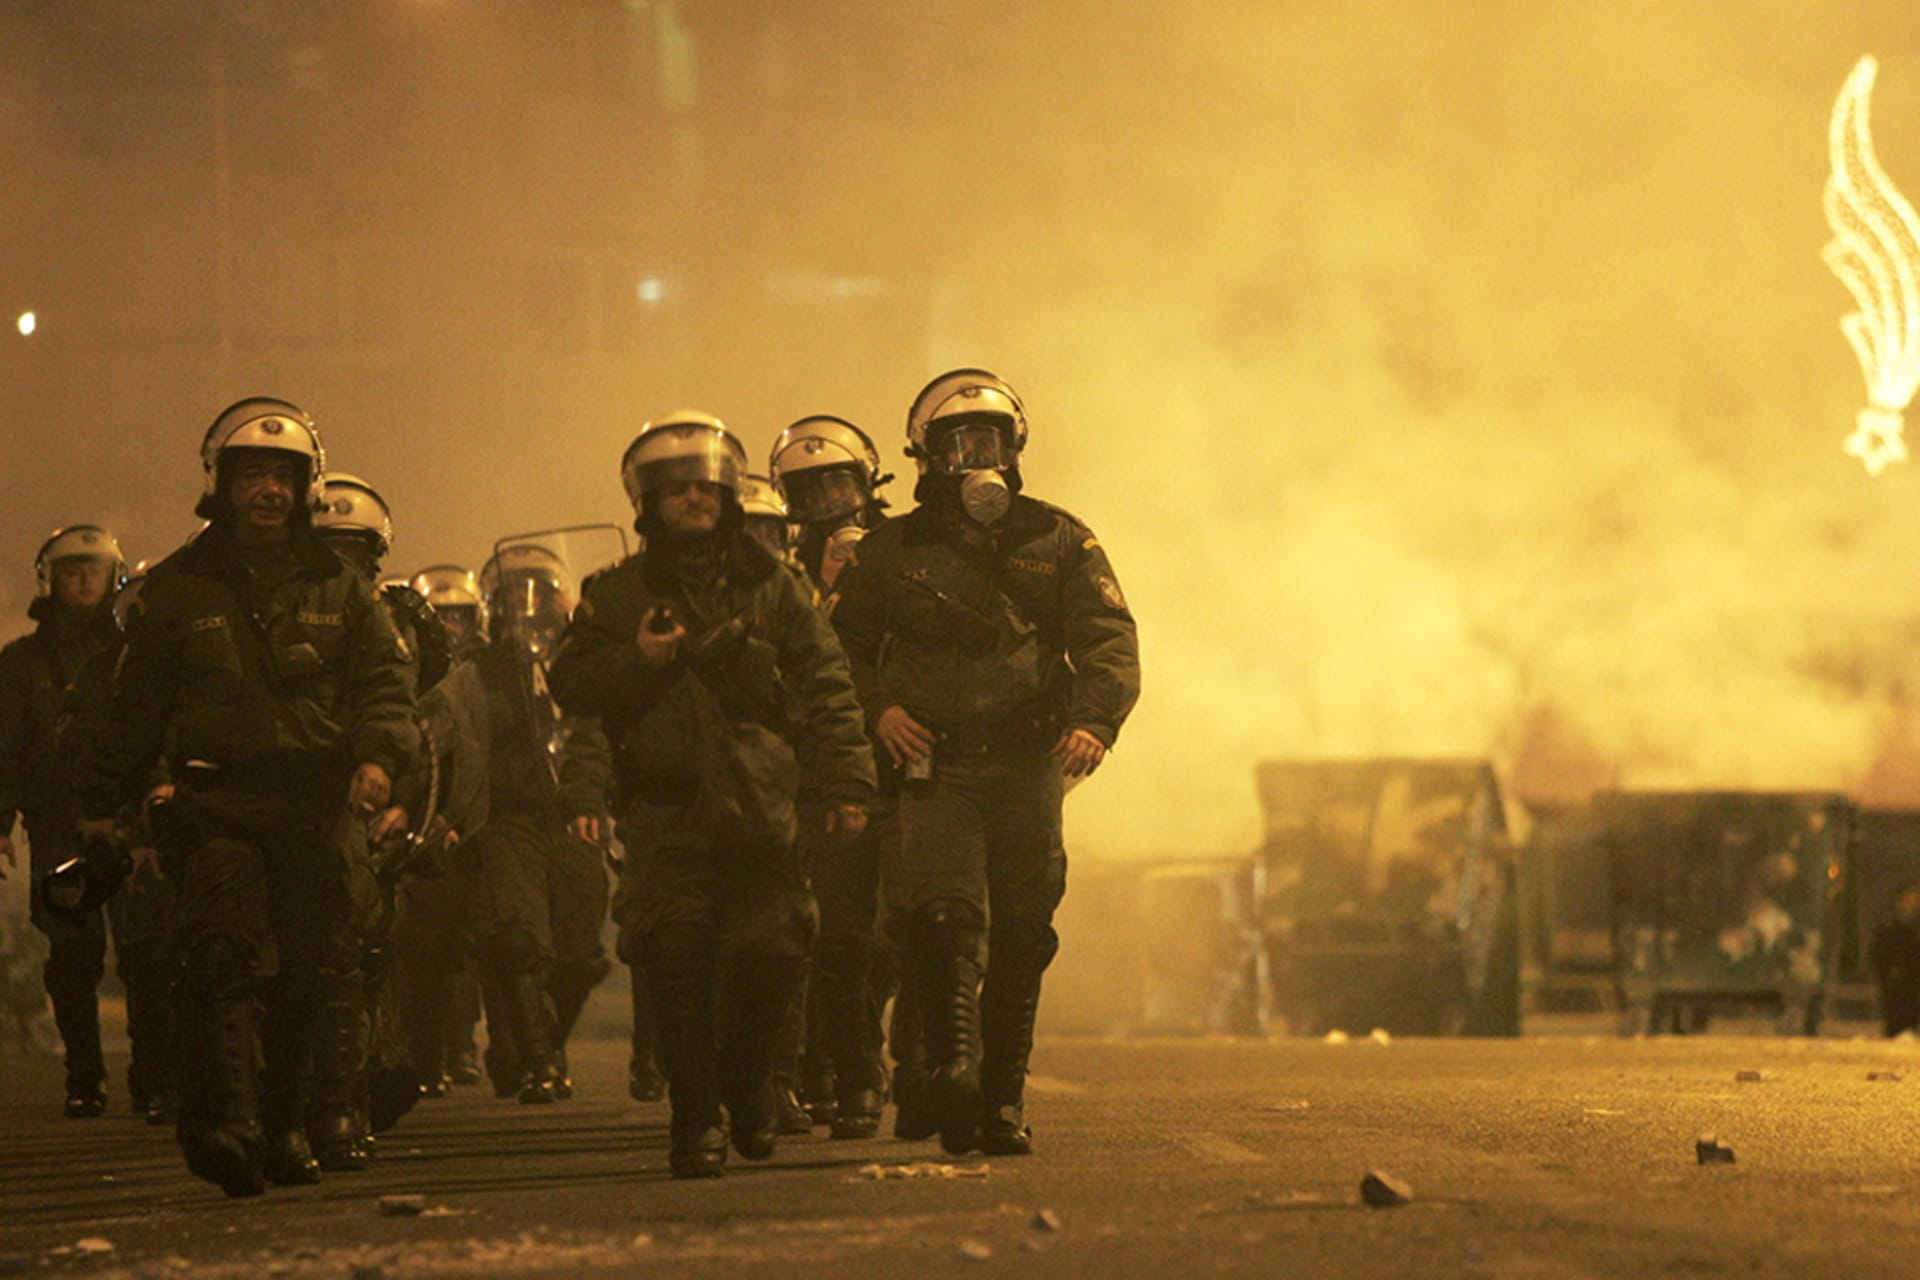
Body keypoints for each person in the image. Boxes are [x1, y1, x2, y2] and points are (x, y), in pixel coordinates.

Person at [78, 397, 418, 1198]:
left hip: (312, 807)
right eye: (252, 476)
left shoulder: (341, 587)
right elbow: (135, 708)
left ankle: (286, 1124)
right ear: (222, 485)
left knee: (310, 968)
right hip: (218, 801)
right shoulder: (179, 589)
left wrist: (378, 757)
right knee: (222, 961)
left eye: (282, 478)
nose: (268, 492)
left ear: (305, 488)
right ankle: (227, 1126)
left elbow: (386, 683)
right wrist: (99, 802)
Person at [548, 409, 876, 1178]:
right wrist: (640, 660)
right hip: (663, 809)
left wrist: (846, 780)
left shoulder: (776, 587)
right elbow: (572, 684)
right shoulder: (617, 595)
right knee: (676, 958)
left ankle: (748, 1084)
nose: (693, 499)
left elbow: (827, 683)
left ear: (727, 494)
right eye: (676, 489)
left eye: (704, 487)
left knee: (773, 952)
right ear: (649, 502)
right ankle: (696, 1119)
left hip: (761, 808)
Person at [828, 369, 1140, 1156]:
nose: (978, 459)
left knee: (1023, 933)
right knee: (942, 923)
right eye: (960, 445)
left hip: (1029, 764)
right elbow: (836, 650)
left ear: (1015, 447)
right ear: (928, 458)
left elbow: (1108, 637)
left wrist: (1095, 720)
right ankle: (952, 1073)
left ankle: (1002, 1100)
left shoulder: (1059, 540)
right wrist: (879, 710)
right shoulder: (890, 551)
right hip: (936, 767)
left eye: (991, 442)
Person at [769, 413, 908, 1140]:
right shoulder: (776, 570)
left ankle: (860, 1050)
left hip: (903, 764)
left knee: (899, 931)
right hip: (819, 774)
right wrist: (820, 592)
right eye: (809, 491)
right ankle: (842, 1069)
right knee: (833, 934)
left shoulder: (910, 548)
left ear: (868, 482)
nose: (827, 503)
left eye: (839, 485)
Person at [462, 543, 611, 1104]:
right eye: (518, 594)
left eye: (542, 593)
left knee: (581, 953)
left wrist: (591, 795)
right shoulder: (480, 672)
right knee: (520, 938)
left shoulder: (580, 665)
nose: (532, 606)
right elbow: (463, 744)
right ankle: (539, 1064)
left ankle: (541, 1042)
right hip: (510, 816)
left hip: (573, 813)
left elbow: (597, 733)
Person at [0, 525, 132, 1117]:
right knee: (75, 955)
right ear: (49, 582)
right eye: (71, 570)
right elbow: (4, 745)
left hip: (130, 825)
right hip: (57, 826)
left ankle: (158, 1076)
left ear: (113, 578)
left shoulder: (138, 656)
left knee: (149, 952)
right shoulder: (21, 663)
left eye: (93, 570)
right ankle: (85, 1076)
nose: (82, 580)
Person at [1871, 880, 1920, 1037]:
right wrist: (1889, 973)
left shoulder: (1914, 929)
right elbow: (1879, 954)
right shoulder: (1889, 928)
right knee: (1896, 1026)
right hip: (1896, 988)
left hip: (1913, 986)